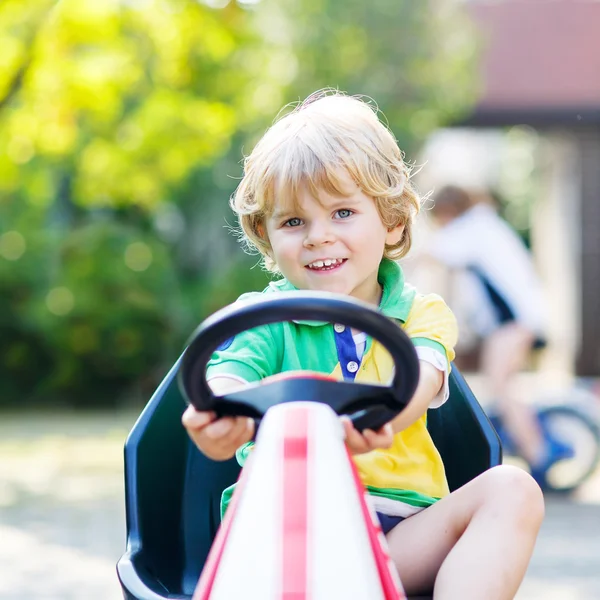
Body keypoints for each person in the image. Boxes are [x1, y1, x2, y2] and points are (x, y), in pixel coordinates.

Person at [182, 91, 544, 599]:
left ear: (392, 221)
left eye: (343, 213)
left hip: (397, 544)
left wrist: (380, 416)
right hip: (285, 538)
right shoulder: (266, 319)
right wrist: (220, 412)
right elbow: (227, 371)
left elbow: (419, 377)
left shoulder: (422, 314)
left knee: (514, 490)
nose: (317, 236)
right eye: (293, 222)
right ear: (266, 235)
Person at [425, 185, 572, 485]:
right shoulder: (484, 225)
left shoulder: (473, 228)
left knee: (501, 387)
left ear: (447, 212)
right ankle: (536, 439)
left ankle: (539, 453)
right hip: (520, 319)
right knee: (504, 387)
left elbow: (432, 252)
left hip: (514, 322)